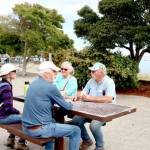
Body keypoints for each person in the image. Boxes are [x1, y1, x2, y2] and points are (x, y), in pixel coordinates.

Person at [21, 61, 81, 150]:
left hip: (26, 127)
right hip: (38, 129)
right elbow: (67, 107)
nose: (57, 74)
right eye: (54, 71)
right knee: (76, 130)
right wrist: (71, 102)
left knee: (53, 120)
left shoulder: (33, 83)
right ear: (46, 73)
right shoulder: (50, 87)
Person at [71, 62, 116, 150]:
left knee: (94, 126)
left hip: (105, 110)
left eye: (93, 71)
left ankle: (100, 146)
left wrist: (89, 98)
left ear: (101, 72)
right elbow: (84, 92)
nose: (91, 72)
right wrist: (78, 95)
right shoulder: (91, 81)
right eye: (91, 71)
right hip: (90, 108)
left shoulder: (109, 82)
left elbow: (109, 99)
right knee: (75, 121)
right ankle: (87, 140)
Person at [0, 63, 29, 150]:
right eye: (14, 71)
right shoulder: (6, 87)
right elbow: (8, 108)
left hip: (1, 114)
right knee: (26, 118)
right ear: (8, 74)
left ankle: (11, 139)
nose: (16, 73)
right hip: (2, 117)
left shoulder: (2, 83)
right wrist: (19, 112)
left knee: (18, 116)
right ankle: (21, 143)